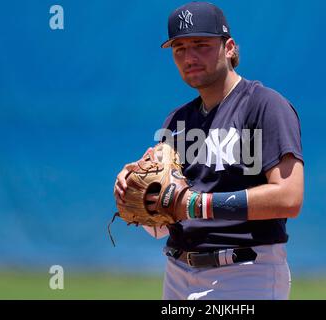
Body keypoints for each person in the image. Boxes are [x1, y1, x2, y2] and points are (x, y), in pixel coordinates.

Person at [114, 1, 304, 300]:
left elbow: (288, 197)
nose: (189, 57)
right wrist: (137, 189)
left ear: (229, 48)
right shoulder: (177, 121)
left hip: (245, 273)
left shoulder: (264, 106)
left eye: (200, 45)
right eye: (180, 49)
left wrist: (194, 205)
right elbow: (166, 214)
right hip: (178, 272)